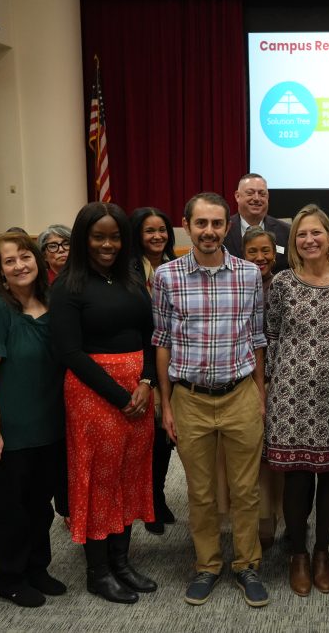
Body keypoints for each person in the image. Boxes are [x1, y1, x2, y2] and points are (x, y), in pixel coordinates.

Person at [151, 192, 270, 608]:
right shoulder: (166, 277)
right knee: (200, 493)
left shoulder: (248, 275)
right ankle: (207, 565)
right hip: (189, 398)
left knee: (245, 490)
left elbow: (257, 338)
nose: (209, 231)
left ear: (227, 227)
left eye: (217, 224)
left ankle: (246, 564)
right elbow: (162, 342)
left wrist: (260, 393)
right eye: (201, 223)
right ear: (186, 225)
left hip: (240, 393)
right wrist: (166, 404)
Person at [49, 202, 157, 605]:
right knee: (98, 481)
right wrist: (120, 395)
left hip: (138, 393)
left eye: (115, 237)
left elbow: (149, 334)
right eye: (99, 237)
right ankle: (98, 571)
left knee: (128, 476)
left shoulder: (130, 278)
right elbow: (69, 353)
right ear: (83, 239)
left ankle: (122, 561)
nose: (108, 244)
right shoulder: (67, 286)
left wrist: (145, 381)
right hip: (94, 394)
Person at [265, 205, 329, 597]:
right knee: (298, 476)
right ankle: (298, 555)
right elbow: (271, 334)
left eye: (316, 233)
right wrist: (271, 384)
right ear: (294, 242)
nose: (309, 240)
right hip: (291, 395)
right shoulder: (283, 283)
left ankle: (322, 553)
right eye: (301, 234)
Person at [0, 231, 67, 608]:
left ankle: (37, 568)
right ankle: (9, 576)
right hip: (8, 433)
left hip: (49, 428)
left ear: (37, 260)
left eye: (25, 257)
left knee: (40, 505)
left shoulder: (51, 302)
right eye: (9, 261)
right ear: (0, 270)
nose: (20, 266)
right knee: (11, 508)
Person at [129, 207, 178, 535]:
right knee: (142, 436)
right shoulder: (128, 273)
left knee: (165, 438)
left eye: (162, 230)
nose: (157, 236)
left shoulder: (178, 269)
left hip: (175, 362)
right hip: (140, 360)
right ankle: (142, 501)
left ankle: (156, 496)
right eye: (150, 230)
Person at [241, 226, 285, 549]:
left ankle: (275, 520)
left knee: (275, 457)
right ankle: (256, 522)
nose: (260, 258)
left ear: (275, 253)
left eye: (265, 251)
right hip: (246, 380)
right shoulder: (238, 285)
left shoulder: (284, 285)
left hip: (279, 379)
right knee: (251, 457)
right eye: (252, 252)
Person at [223, 173, 291, 271]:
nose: (256, 198)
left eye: (262, 194)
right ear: (237, 196)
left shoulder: (286, 231)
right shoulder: (223, 230)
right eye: (250, 193)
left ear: (267, 197)